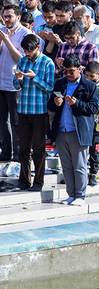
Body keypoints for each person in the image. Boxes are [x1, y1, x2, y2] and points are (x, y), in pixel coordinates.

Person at [48, 54, 99, 206]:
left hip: (78, 131)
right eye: (66, 71)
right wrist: (55, 103)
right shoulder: (61, 83)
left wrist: (77, 104)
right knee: (67, 166)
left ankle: (80, 195)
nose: (68, 74)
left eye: (71, 71)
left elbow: (94, 108)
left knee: (80, 165)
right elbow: (50, 106)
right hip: (62, 130)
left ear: (80, 69)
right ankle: (71, 194)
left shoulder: (89, 86)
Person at [13, 33, 55, 192]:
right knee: (23, 149)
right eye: (24, 51)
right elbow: (16, 86)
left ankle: (38, 182)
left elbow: (49, 88)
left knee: (38, 149)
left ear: (38, 48)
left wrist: (34, 77)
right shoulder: (22, 61)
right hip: (23, 109)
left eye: (29, 51)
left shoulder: (47, 63)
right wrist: (19, 80)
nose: (26, 54)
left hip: (39, 111)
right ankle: (24, 180)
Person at [0, 4, 30, 162]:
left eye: (9, 16)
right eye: (4, 17)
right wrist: (0, 40)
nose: (6, 20)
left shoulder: (25, 34)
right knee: (0, 119)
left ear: (18, 17)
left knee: (15, 120)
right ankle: (6, 151)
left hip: (14, 83)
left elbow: (21, 59)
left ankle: (18, 153)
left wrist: (6, 40)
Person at [84, 61, 99, 187]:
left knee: (95, 149)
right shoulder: (83, 85)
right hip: (85, 122)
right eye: (87, 75)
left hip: (97, 124)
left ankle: (93, 173)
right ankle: (80, 174)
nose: (89, 79)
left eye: (92, 76)